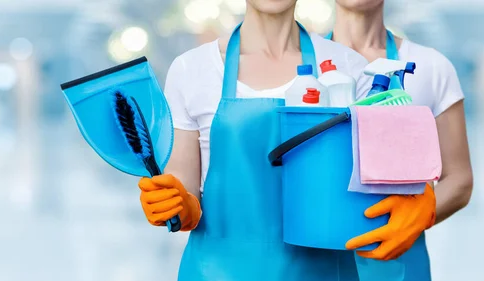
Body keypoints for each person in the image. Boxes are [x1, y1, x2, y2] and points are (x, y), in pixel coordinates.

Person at [136, 0, 441, 280]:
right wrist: (178, 205)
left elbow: (387, 172)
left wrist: (417, 195)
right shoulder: (192, 69)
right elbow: (186, 189)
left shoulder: (349, 67)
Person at [327, 0, 474, 279]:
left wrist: (418, 214)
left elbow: (459, 179)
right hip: (311, 261)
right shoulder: (295, 66)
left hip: (399, 265)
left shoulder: (431, 66)